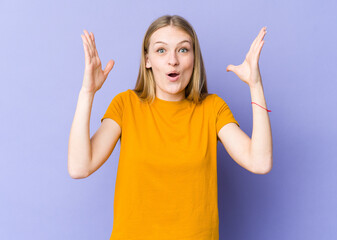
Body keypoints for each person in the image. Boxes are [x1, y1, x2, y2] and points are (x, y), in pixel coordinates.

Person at [68, 15, 272, 240]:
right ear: (147, 60)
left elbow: (259, 162)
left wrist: (256, 85)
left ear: (194, 58)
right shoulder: (126, 105)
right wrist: (87, 92)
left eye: (183, 50)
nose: (172, 60)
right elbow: (79, 167)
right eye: (161, 50)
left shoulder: (212, 108)